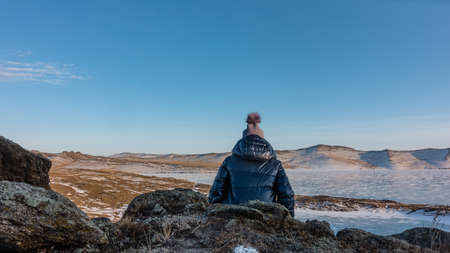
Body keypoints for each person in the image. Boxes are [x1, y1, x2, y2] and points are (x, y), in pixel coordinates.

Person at [208, 112, 295, 216]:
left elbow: (216, 193)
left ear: (243, 139)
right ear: (263, 139)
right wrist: (289, 221)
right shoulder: (275, 165)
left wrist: (213, 216)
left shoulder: (229, 161)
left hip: (232, 217)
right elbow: (286, 196)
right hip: (266, 219)